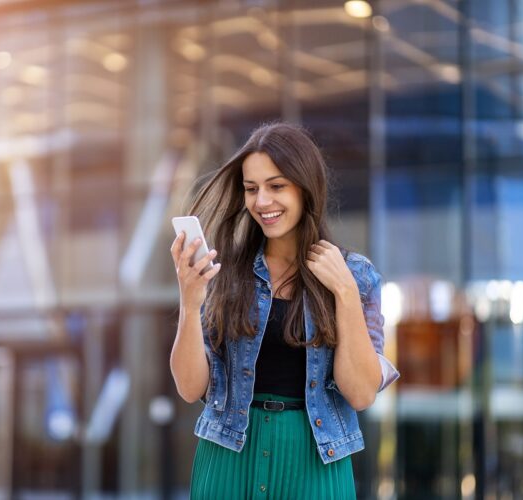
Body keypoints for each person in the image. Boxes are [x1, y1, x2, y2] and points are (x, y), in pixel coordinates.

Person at [169, 122, 400, 499]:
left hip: (314, 463)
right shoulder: (225, 273)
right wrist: (190, 302)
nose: (262, 202)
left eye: (276, 186)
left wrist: (343, 291)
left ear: (305, 189)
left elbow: (360, 394)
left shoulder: (356, 275)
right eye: (251, 189)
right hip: (228, 460)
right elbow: (190, 387)